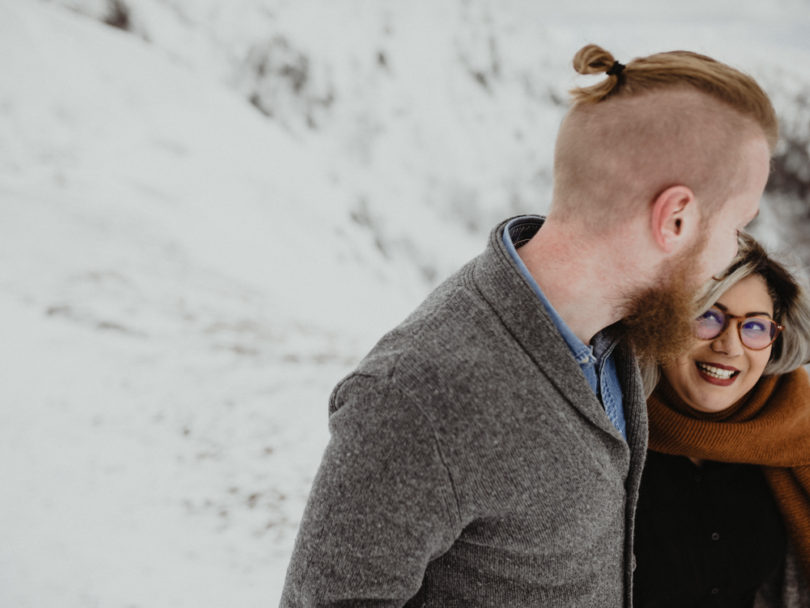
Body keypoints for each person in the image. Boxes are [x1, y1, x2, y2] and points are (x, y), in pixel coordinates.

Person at [281, 44, 778, 607]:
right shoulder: (419, 395)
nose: (732, 255)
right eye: (737, 226)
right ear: (676, 219)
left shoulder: (621, 339)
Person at [634, 233, 810, 608]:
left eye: (756, 326)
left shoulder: (794, 432)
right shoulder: (610, 424)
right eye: (708, 316)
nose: (730, 346)